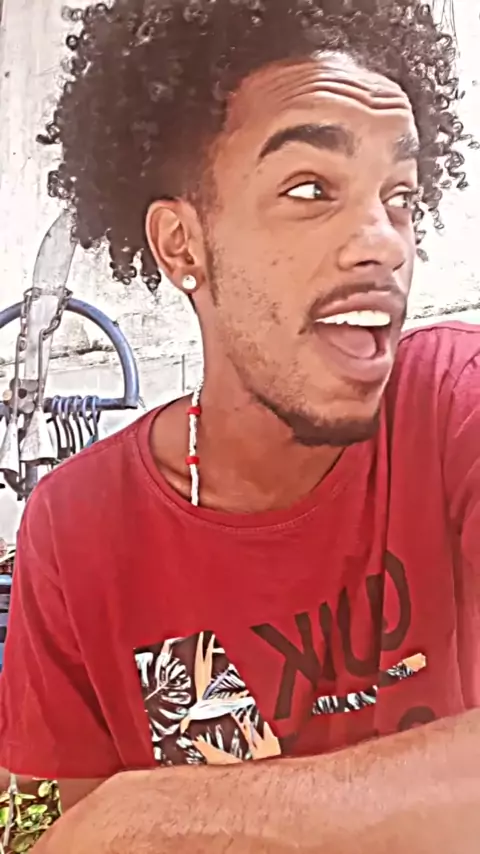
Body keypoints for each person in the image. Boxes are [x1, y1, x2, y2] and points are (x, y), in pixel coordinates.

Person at [1, 0, 479, 850]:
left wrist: (163, 813)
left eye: (399, 195)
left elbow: (121, 830)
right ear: (182, 244)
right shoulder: (77, 533)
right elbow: (54, 831)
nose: (385, 243)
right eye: (310, 189)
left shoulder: (455, 407)